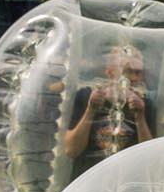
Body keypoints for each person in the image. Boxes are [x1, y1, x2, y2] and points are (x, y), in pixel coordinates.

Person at [58, 44, 155, 180]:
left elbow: (150, 157)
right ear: (109, 72)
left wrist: (140, 118)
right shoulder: (85, 96)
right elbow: (71, 150)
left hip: (126, 185)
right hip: (87, 183)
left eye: (138, 72)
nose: (134, 78)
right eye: (127, 71)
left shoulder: (145, 105)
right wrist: (90, 111)